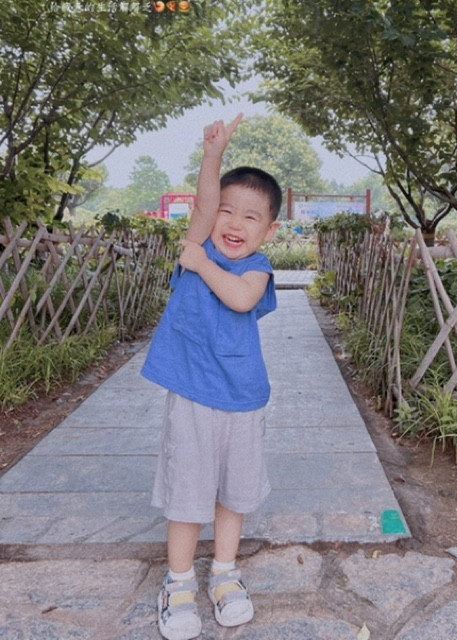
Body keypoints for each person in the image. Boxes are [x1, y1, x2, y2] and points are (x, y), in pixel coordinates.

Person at [141, 114, 282, 640]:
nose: (234, 222)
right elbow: (202, 207)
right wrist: (212, 157)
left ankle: (224, 571)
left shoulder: (255, 268)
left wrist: (201, 264)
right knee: (187, 492)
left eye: (250, 216)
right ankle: (179, 581)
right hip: (194, 397)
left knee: (233, 494)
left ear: (268, 231)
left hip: (242, 400)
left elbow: (241, 299)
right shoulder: (196, 247)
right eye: (226, 209)